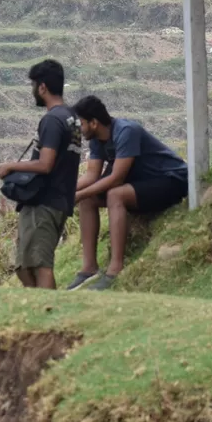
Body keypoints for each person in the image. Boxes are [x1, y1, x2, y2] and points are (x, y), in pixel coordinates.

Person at [68, 96, 188, 291]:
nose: (79, 129)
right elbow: (91, 176)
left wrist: (79, 194)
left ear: (94, 122)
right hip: (144, 182)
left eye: (80, 124)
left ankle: (115, 269)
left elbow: (116, 178)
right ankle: (89, 268)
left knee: (115, 194)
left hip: (172, 180)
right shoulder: (97, 140)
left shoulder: (126, 131)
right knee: (88, 199)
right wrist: (66, 192)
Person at [0, 60, 82, 290]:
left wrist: (11, 166)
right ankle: (38, 309)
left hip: (44, 202)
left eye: (34, 85)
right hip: (58, 199)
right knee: (25, 266)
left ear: (42, 87)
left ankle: (50, 314)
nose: (33, 90)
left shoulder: (52, 120)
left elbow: (45, 165)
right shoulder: (71, 118)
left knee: (40, 265)